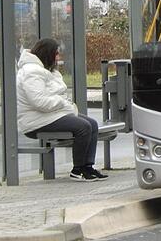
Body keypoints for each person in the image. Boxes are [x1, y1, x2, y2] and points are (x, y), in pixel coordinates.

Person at [17, 38, 107, 182]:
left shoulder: (46, 70)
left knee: (92, 124)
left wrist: (63, 103)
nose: (58, 57)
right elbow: (39, 102)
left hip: (51, 115)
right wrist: (62, 102)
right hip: (36, 121)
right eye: (56, 54)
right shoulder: (31, 72)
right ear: (48, 54)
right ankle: (77, 170)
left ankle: (87, 167)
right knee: (83, 127)